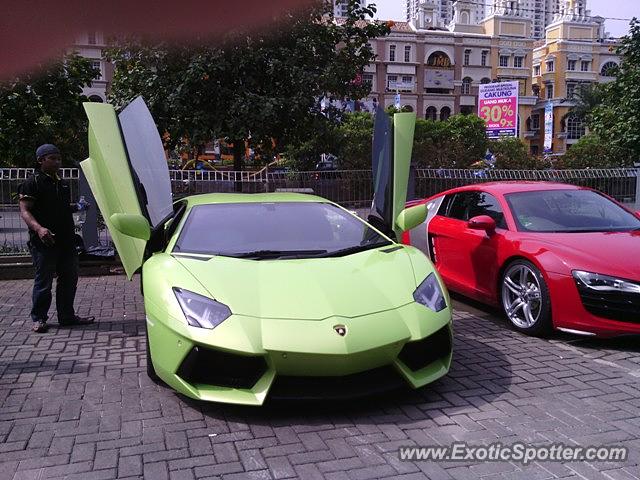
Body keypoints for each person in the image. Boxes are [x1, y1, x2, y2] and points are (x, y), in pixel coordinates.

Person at [18, 144, 95, 333]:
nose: (57, 162)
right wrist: (39, 229)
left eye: (58, 158)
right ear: (41, 160)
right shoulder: (32, 183)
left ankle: (67, 316)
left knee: (69, 279)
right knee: (44, 281)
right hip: (44, 241)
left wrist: (77, 207)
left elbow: (60, 208)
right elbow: (25, 210)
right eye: (52, 158)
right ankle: (39, 319)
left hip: (66, 240)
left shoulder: (62, 183)